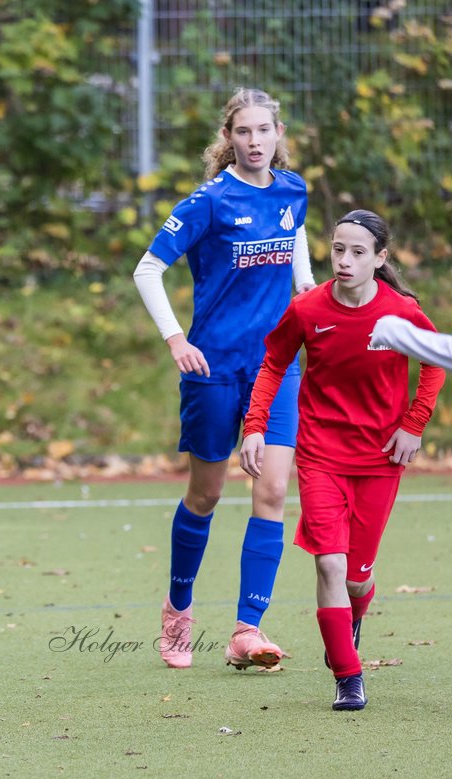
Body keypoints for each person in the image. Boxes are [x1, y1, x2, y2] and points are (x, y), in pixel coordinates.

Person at [133, 87, 317, 670]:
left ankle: (247, 630)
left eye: (265, 130)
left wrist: (308, 289)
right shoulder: (207, 202)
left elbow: (295, 240)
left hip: (275, 368)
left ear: (278, 134)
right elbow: (148, 269)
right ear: (229, 138)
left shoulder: (293, 190)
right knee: (206, 494)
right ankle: (178, 611)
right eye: (244, 132)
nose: (256, 141)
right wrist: (176, 339)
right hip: (212, 369)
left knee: (272, 492)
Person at [239, 210, 444, 711]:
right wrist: (255, 427)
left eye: (357, 252)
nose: (345, 260)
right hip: (321, 454)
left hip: (379, 459)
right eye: (337, 250)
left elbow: (435, 359)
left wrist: (414, 424)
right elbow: (273, 363)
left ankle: (353, 616)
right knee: (329, 563)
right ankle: (348, 676)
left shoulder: (400, 312)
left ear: (380, 259)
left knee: (356, 576)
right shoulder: (308, 309)